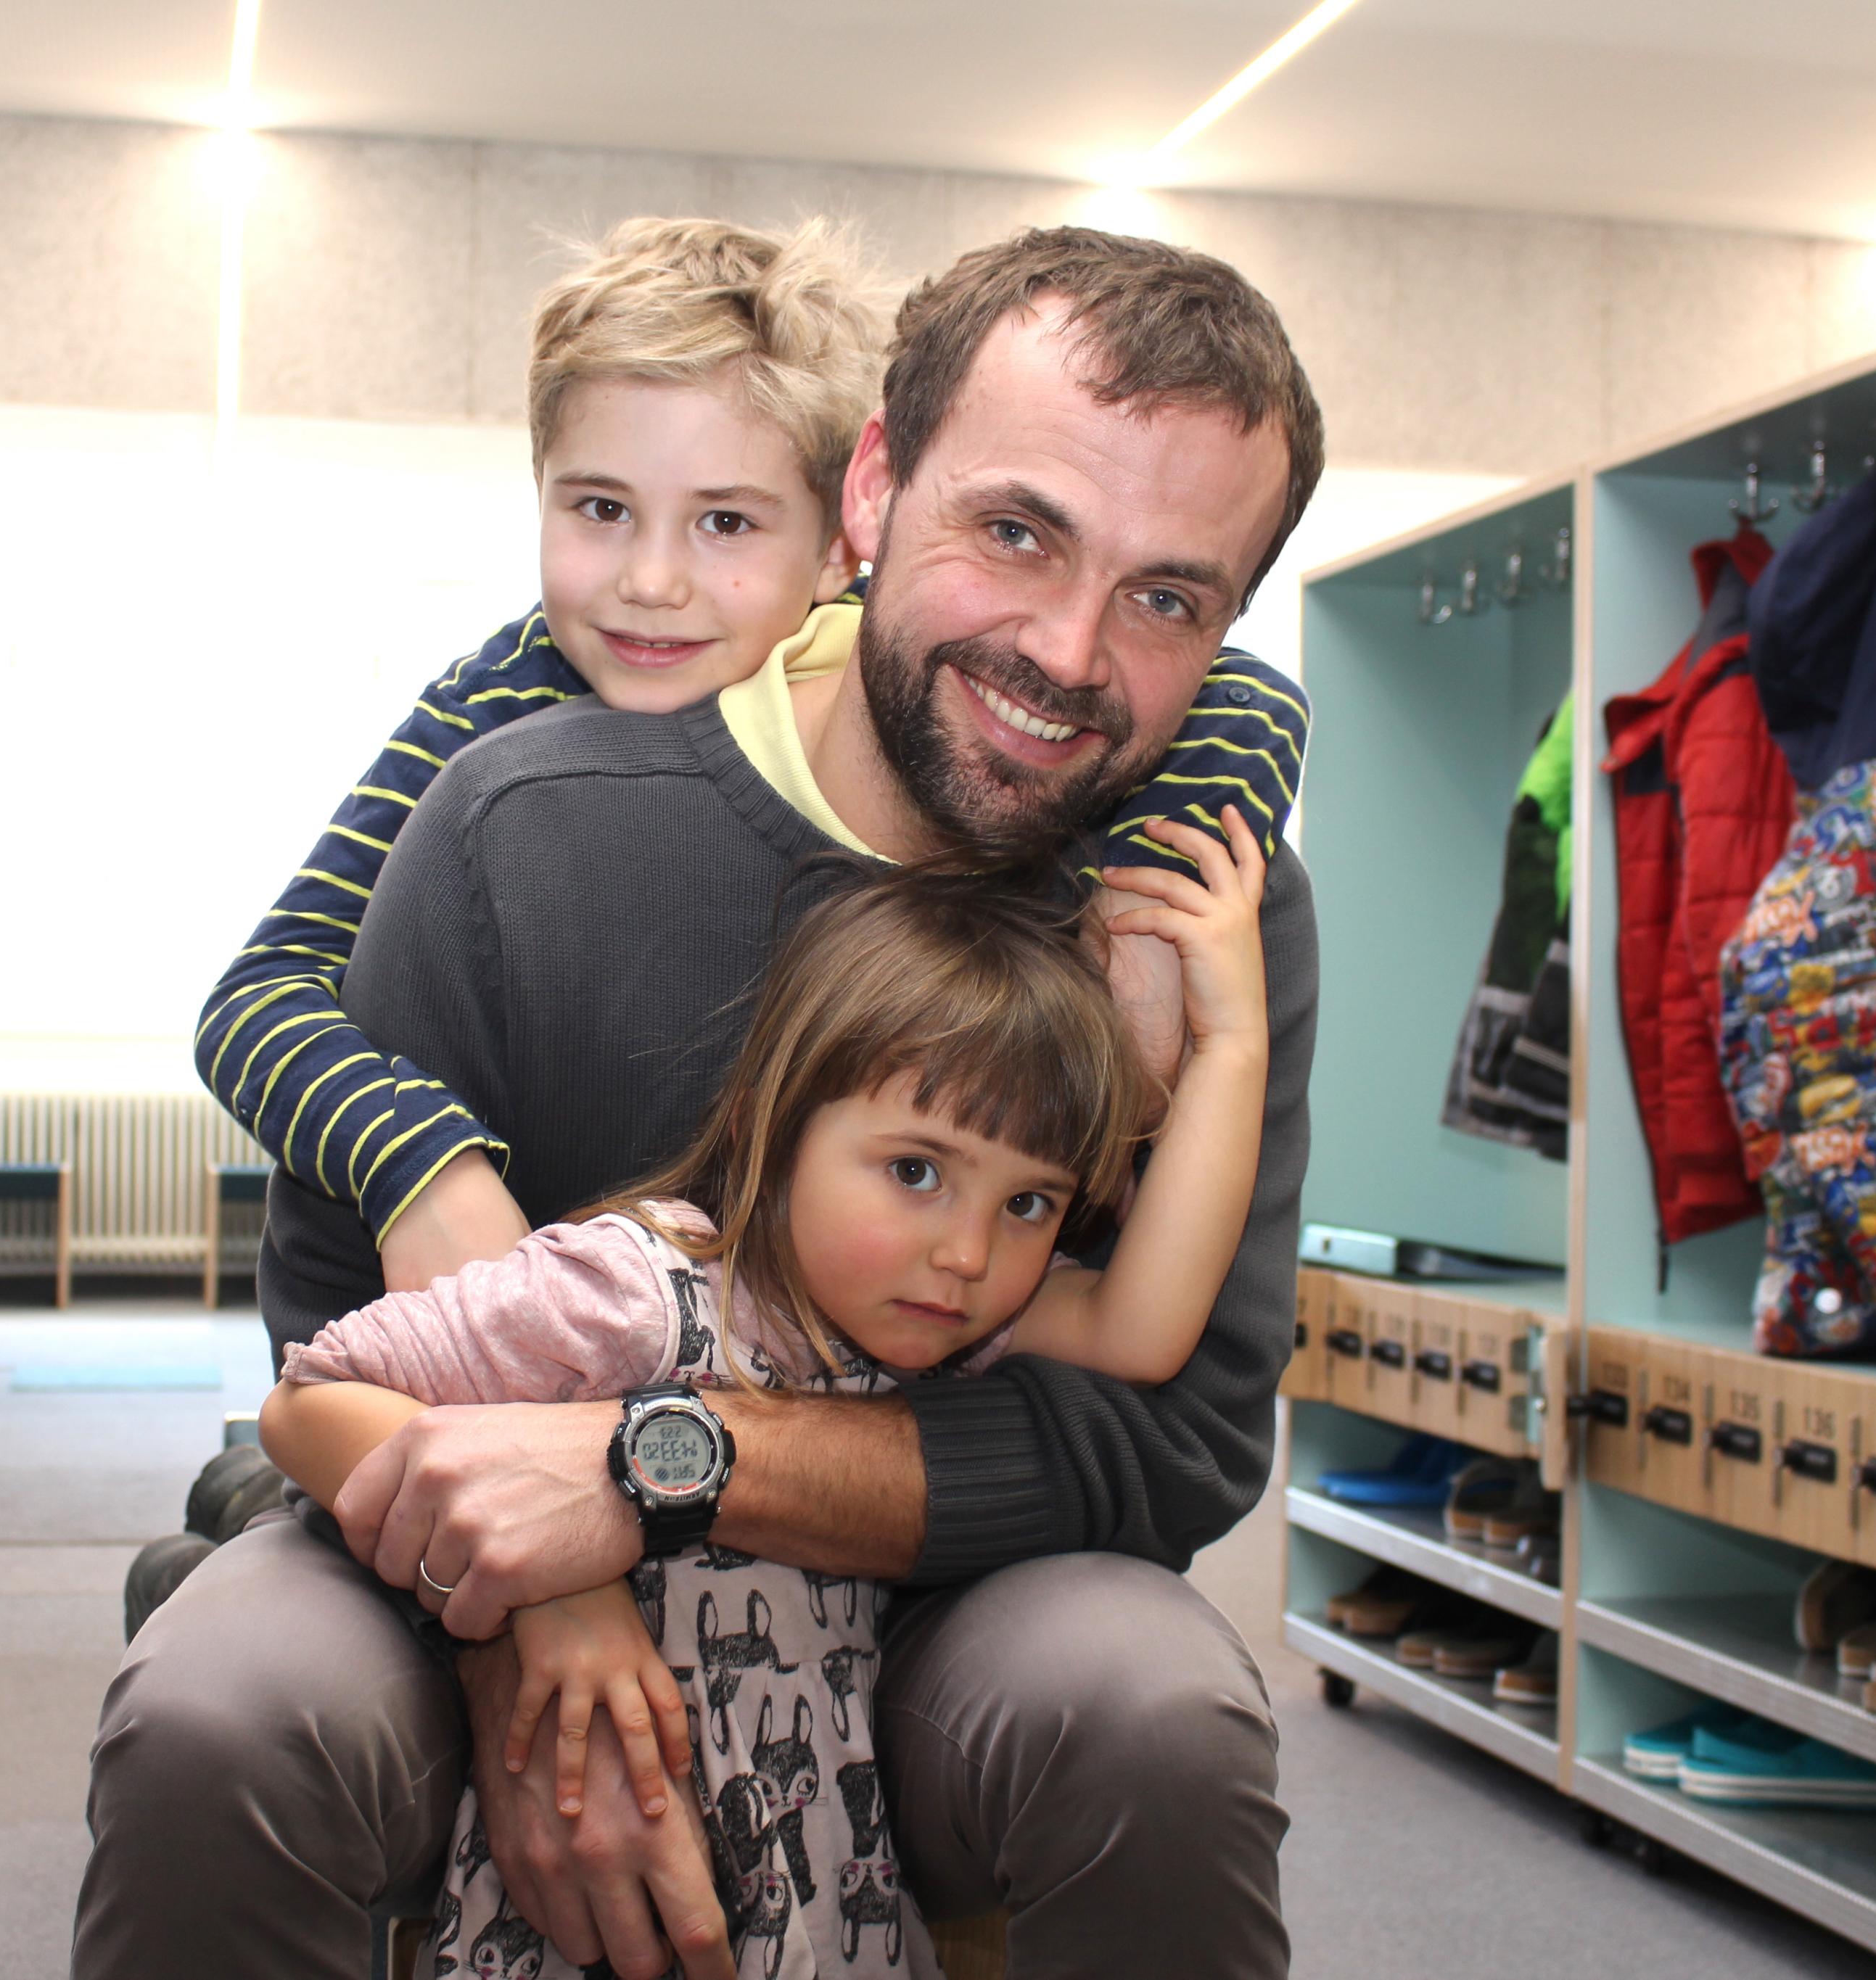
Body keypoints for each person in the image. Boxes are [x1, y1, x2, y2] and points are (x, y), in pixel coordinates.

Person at [78, 225, 1324, 1980]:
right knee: (222, 1704)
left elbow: (1165, 1441)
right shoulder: (512, 801)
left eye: (1168, 598)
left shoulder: (1198, 913)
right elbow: (337, 1336)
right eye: (1016, 532)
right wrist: (522, 1610)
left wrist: (654, 1471)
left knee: (1155, 1714)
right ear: (873, 490)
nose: (1066, 648)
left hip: (947, 1605)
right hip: (476, 1546)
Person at [192, 215, 1306, 1297]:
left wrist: (1148, 922)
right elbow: (261, 991)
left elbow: (1252, 696)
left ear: (837, 543)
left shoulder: (973, 690)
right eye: (600, 508)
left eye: (726, 522)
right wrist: (418, 1167)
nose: (651, 583)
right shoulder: (501, 716)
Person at [260, 821, 1271, 1979]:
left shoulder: (941, 1333)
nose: (967, 1253)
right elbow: (313, 1400)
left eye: (1029, 1203)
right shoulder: (632, 1290)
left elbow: (1143, 1327)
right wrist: (550, 1586)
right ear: (772, 1126)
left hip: (818, 1898)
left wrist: (1235, 1045)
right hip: (579, 1908)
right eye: (916, 1171)